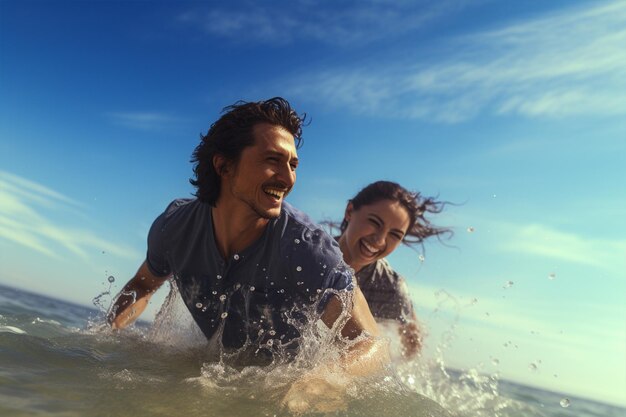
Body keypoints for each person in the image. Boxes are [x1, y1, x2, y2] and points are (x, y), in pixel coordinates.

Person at [106, 97, 387, 412]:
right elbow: (143, 285)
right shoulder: (176, 227)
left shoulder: (307, 250)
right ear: (223, 165)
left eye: (293, 164)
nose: (288, 177)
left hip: (280, 396)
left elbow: (369, 343)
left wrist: (321, 380)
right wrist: (106, 336)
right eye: (273, 160)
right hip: (211, 381)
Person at [334, 181, 450, 359]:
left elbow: (413, 340)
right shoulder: (309, 252)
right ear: (350, 211)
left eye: (394, 235)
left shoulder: (389, 287)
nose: (379, 240)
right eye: (374, 222)